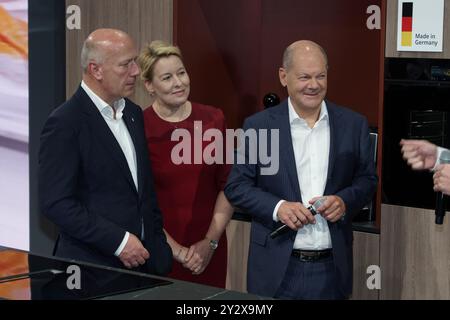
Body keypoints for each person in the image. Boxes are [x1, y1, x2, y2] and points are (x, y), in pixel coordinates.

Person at [224, 40, 378, 299]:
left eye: (321, 76)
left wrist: (344, 201)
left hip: (332, 269)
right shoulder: (259, 126)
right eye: (305, 77)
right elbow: (237, 186)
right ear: (283, 76)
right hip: (276, 270)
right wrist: (279, 208)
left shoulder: (353, 124)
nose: (314, 85)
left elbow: (367, 179)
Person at [38, 29, 172, 276]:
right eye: (126, 64)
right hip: (92, 271)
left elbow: (144, 192)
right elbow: (56, 203)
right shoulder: (65, 123)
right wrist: (119, 242)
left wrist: (159, 247)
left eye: (135, 61)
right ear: (95, 70)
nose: (135, 72)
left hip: (146, 267)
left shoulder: (133, 114)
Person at [137, 41, 234, 288]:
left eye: (181, 72)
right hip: (160, 250)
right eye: (167, 77)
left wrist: (210, 242)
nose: (179, 82)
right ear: (149, 85)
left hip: (209, 250)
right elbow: (138, 200)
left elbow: (229, 185)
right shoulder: (139, 126)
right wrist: (177, 251)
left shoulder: (214, 118)